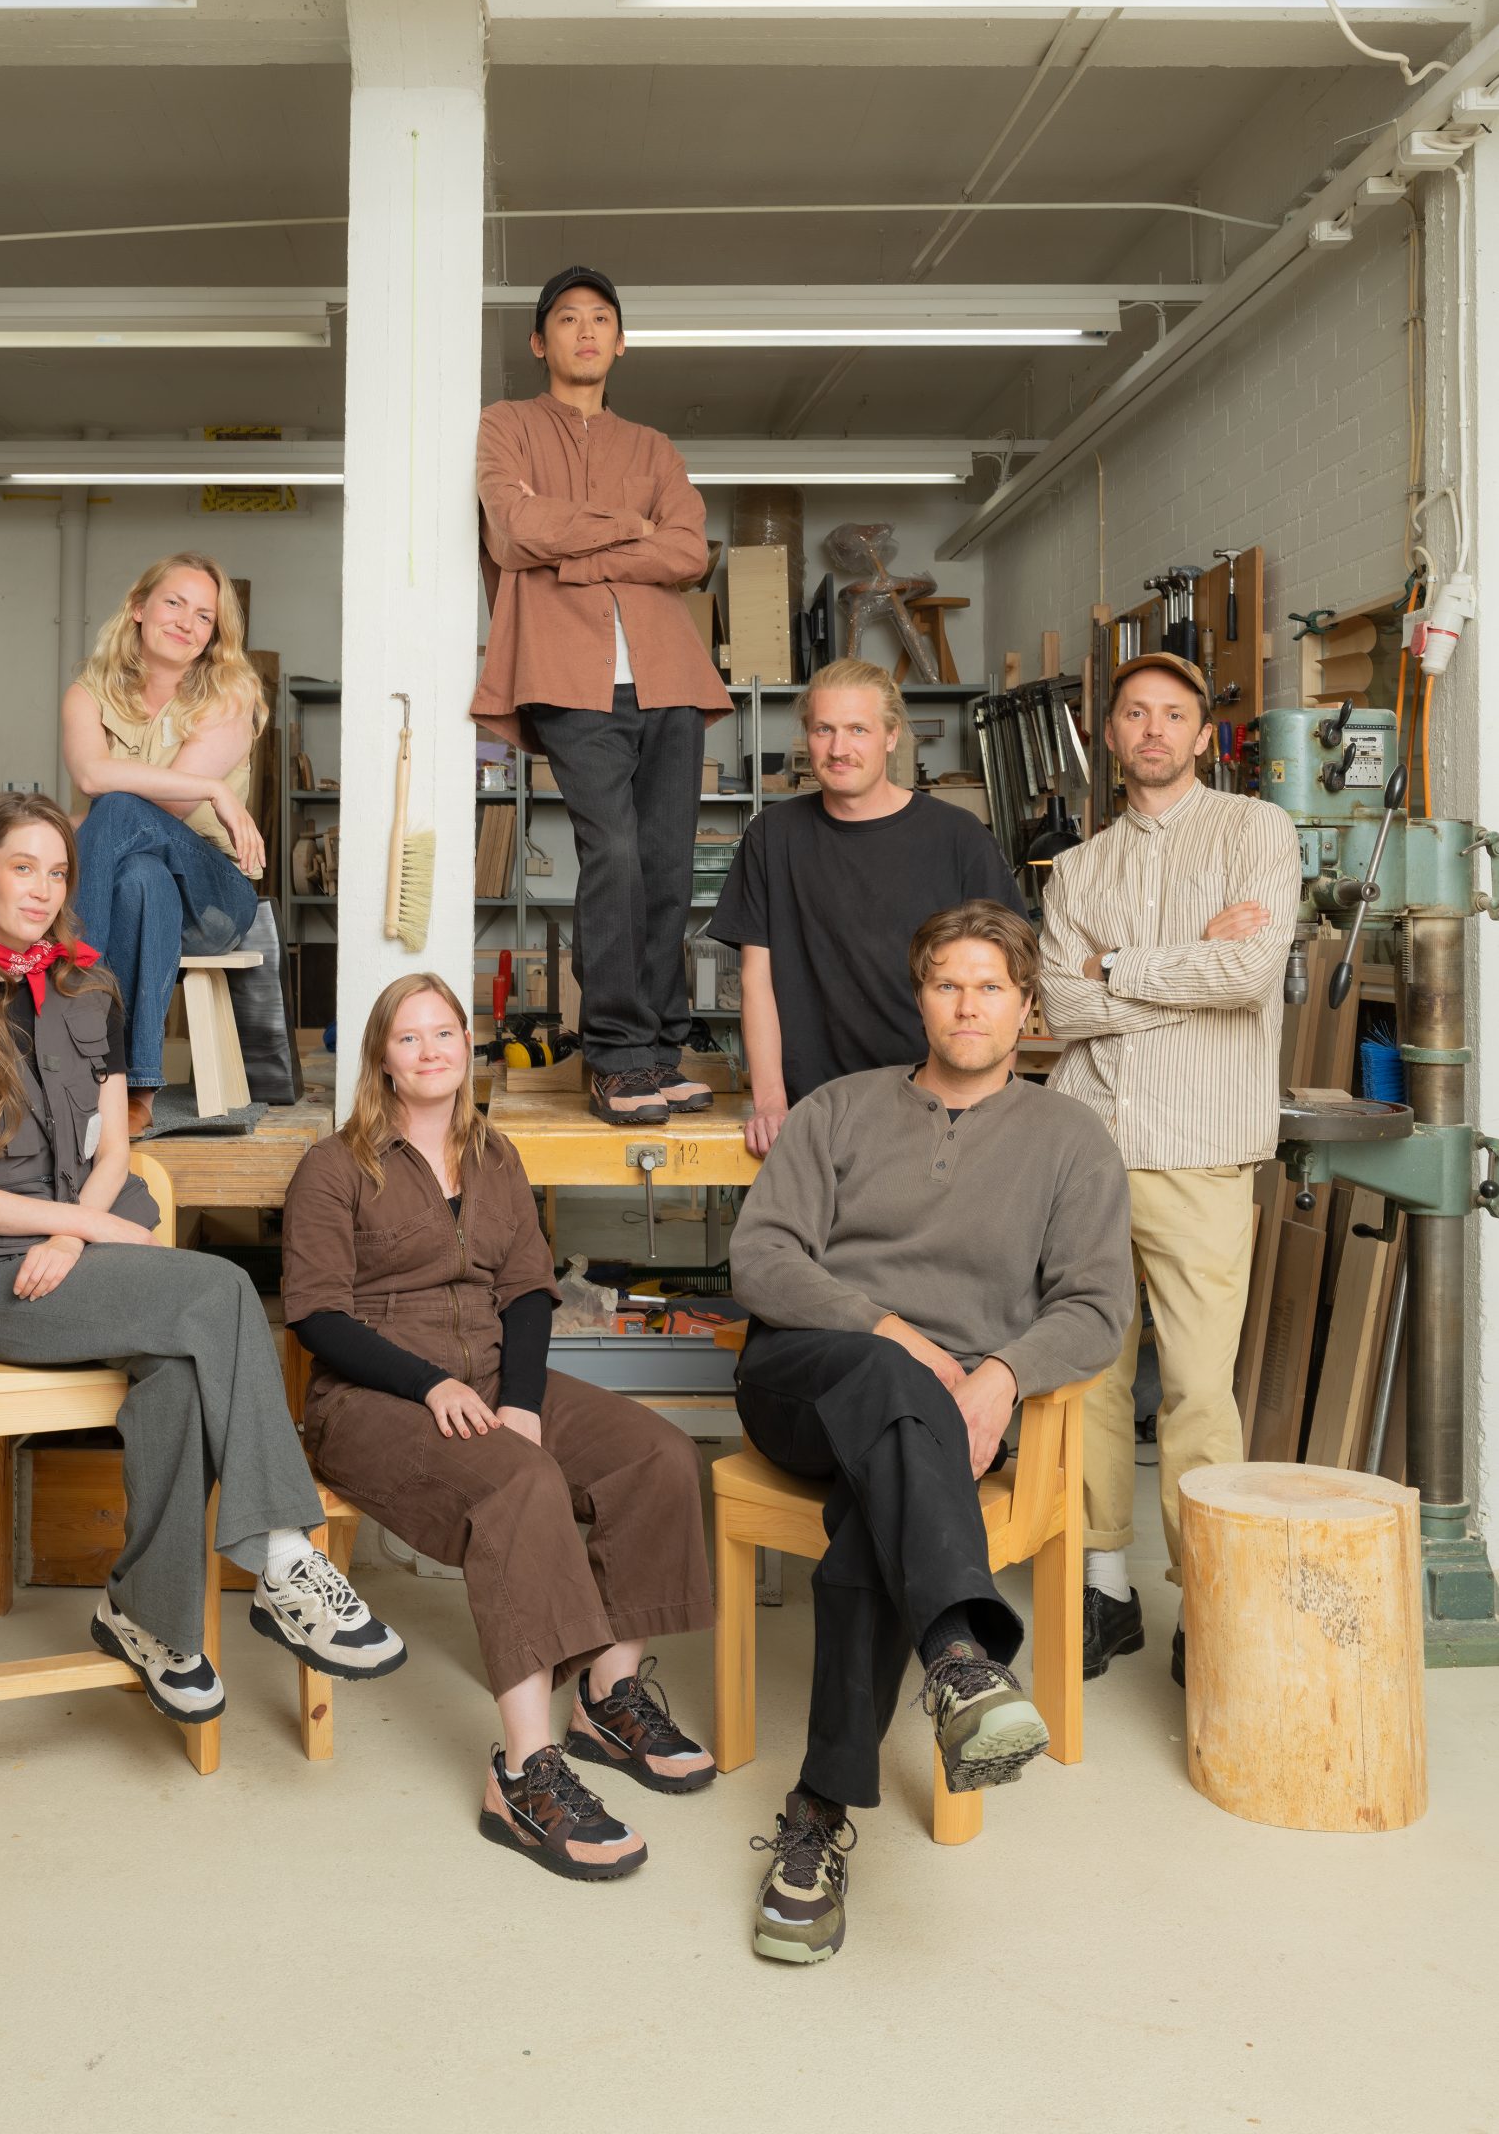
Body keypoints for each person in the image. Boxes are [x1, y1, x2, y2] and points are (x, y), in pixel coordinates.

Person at [0, 792, 403, 1719]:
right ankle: (284, 1556)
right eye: (23, 867)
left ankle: (147, 1618)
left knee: (179, 1378)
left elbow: (112, 1155)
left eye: (58, 872)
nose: (44, 888)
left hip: (72, 1255)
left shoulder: (85, 989)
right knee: (219, 1293)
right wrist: (90, 1232)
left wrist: (71, 1229)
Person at [729, 903, 1132, 1964]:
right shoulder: (839, 1111)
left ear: (1027, 1008)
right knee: (886, 1379)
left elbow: (1096, 1306)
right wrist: (891, 1329)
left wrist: (1004, 1372)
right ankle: (960, 1652)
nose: (967, 1003)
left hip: (957, 1412)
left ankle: (818, 1815)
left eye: (990, 985)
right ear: (920, 998)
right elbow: (762, 1260)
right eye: (947, 982)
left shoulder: (1070, 1141)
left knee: (880, 1503)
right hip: (804, 1383)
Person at [283, 972, 717, 1881]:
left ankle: (609, 1695)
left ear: (467, 1050)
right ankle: (523, 1772)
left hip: (491, 1375)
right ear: (383, 1061)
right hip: (372, 1400)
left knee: (660, 1455)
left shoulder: (495, 1157)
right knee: (523, 1484)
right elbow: (318, 1315)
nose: (432, 1049)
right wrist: (432, 1384)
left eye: (445, 1032)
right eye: (410, 1038)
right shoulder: (334, 1167)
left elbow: (525, 1289)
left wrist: (520, 1400)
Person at [1037, 651, 1303, 1686]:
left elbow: (1245, 974)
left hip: (1199, 1150)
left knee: (1197, 1386)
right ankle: (1107, 1591)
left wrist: (1120, 967)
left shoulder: (1255, 833)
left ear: (1205, 736)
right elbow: (1061, 1009)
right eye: (1134, 713)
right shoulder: (1079, 866)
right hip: (1089, 1147)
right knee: (1091, 1375)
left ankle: (1209, 1600)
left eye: (1174, 715)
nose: (1153, 729)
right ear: (1110, 735)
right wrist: (1171, 966)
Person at [471, 266, 733, 1128]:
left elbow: (690, 552)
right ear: (539, 342)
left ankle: (659, 1051)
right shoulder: (505, 427)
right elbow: (517, 529)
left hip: (666, 676)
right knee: (612, 854)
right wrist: (632, 530)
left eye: (602, 320)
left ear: (620, 342)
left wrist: (575, 551)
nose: (586, 331)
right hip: (565, 676)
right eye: (567, 319)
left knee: (665, 864)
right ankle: (616, 1055)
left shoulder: (653, 447)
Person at [705, 658, 1025, 1156]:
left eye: (858, 729)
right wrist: (769, 1101)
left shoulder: (958, 837)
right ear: (807, 738)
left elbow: (1009, 980)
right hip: (815, 1110)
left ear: (891, 736)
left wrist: (991, 1102)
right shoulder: (773, 836)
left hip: (938, 1108)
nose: (839, 748)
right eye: (823, 730)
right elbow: (756, 980)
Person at [61, 553, 266, 1138]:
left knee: (123, 811)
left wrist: (91, 815)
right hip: (132, 886)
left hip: (215, 894)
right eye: (174, 603)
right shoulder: (88, 693)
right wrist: (212, 789)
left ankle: (75, 1008)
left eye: (205, 616)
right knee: (140, 877)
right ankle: (136, 1082)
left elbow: (146, 805)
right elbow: (92, 776)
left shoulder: (230, 694)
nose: (186, 622)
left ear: (214, 634)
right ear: (138, 608)